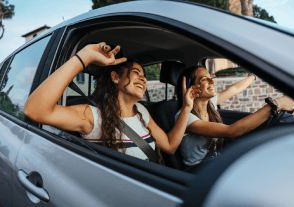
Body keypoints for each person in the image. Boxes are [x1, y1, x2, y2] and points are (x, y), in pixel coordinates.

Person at [24, 42, 200, 164]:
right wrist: (84, 57)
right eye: (136, 72)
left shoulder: (141, 111)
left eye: (144, 76)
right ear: (115, 77)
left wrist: (186, 108)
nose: (143, 78)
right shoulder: (92, 116)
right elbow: (35, 111)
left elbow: (169, 147)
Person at [175, 66, 294, 168]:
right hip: (198, 171)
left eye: (211, 77)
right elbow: (231, 131)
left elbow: (235, 89)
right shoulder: (186, 117)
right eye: (204, 79)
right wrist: (275, 104)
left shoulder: (210, 103)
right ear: (191, 88)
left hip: (214, 162)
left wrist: (255, 75)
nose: (212, 81)